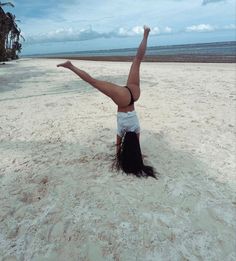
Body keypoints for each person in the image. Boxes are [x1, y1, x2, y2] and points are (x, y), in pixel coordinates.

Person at [57, 26, 157, 179]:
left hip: (134, 94)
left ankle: (146, 34)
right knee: (94, 82)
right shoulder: (121, 131)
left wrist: (137, 155)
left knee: (137, 60)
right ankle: (70, 66)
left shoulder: (137, 129)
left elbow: (136, 145)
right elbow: (118, 144)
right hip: (123, 99)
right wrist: (118, 156)